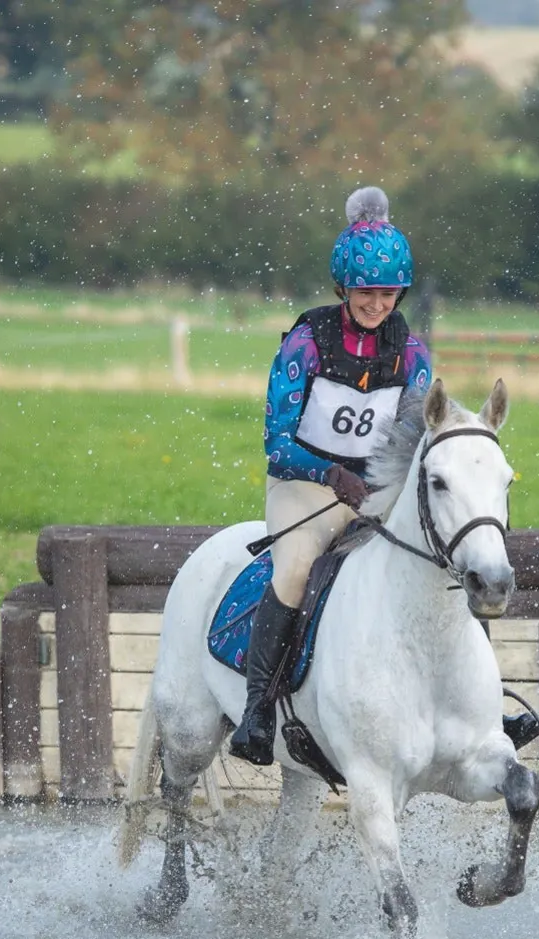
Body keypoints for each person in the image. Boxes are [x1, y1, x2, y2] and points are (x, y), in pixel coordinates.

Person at [230, 186, 432, 764]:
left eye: (388, 292)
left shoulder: (412, 353)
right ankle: (257, 711)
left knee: (437, 561)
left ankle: (478, 708)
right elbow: (276, 442)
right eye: (366, 292)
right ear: (343, 287)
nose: (377, 304)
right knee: (295, 569)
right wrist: (330, 472)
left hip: (372, 491)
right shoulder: (307, 340)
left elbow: (414, 432)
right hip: (304, 485)